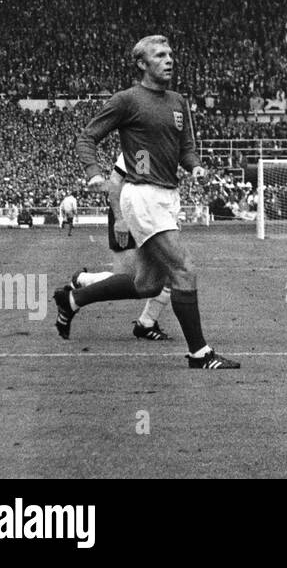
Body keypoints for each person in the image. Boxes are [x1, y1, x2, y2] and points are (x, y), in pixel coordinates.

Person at [56, 35, 239, 369]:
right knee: (184, 268)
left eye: (170, 54)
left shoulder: (178, 101)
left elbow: (186, 148)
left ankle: (73, 298)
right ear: (142, 63)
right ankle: (200, 354)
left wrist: (195, 166)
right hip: (142, 194)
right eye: (159, 55)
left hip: (168, 195)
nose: (169, 60)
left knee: (147, 284)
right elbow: (88, 137)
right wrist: (94, 172)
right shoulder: (127, 100)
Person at [69, 153, 174, 341]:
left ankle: (146, 323)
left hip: (152, 215)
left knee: (168, 271)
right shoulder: (136, 146)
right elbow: (114, 185)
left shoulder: (166, 143)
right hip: (129, 214)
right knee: (133, 280)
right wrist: (119, 219)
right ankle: (82, 281)